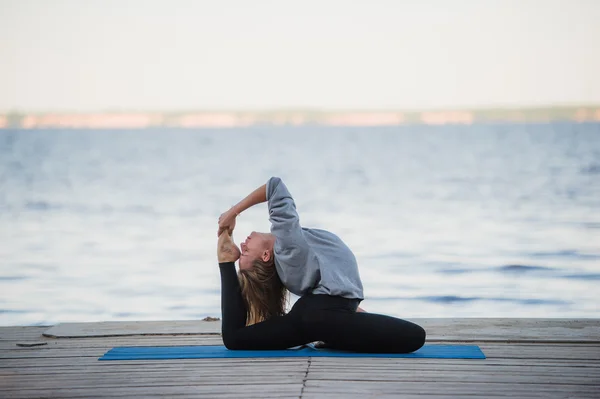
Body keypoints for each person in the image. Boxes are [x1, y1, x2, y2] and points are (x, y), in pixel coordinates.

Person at [216, 176, 426, 353]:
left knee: (237, 339)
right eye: (245, 251)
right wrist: (233, 212)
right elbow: (275, 186)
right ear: (264, 255)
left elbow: (331, 275)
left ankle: (336, 332)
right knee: (416, 336)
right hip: (319, 316)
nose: (243, 243)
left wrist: (350, 307)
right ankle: (226, 260)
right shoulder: (287, 246)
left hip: (321, 314)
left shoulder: (294, 247)